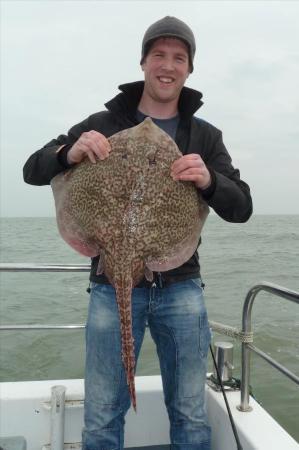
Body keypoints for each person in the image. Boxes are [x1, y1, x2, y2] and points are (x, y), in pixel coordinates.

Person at [23, 16, 252, 450]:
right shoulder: (102, 122)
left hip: (182, 286)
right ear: (144, 62)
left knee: (189, 410)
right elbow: (32, 169)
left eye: (178, 58)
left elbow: (242, 208)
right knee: (103, 412)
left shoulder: (203, 136)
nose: (168, 65)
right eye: (159, 55)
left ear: (188, 69)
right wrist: (67, 152)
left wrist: (210, 181)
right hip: (109, 284)